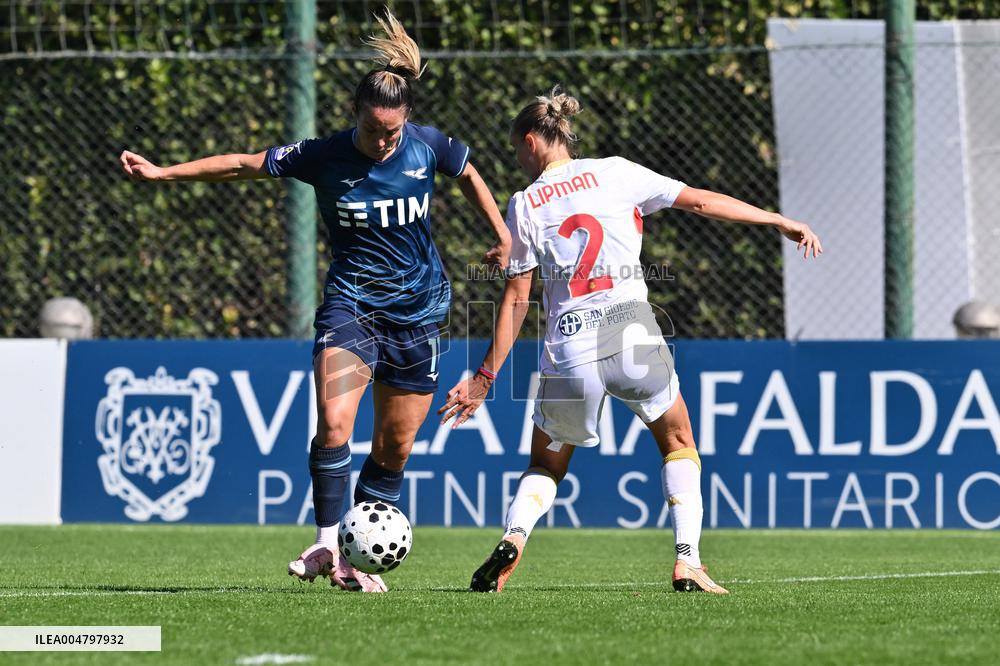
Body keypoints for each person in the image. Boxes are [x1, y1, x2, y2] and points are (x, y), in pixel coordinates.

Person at [120, 11, 511, 593]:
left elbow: (470, 173)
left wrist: (501, 235)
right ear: (355, 114)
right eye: (374, 130)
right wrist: (164, 173)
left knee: (395, 446)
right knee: (333, 424)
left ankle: (356, 561)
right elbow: (245, 164)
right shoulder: (324, 155)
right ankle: (330, 543)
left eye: (393, 132)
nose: (384, 141)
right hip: (351, 307)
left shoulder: (427, 146)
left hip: (419, 313)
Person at [439, 88, 822, 594]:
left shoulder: (525, 202)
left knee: (547, 463)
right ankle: (688, 561)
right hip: (632, 332)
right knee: (679, 442)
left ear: (531, 142)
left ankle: (515, 536)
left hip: (570, 345)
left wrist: (485, 378)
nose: (518, 159)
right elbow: (703, 201)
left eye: (516, 150)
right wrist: (777, 219)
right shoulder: (617, 171)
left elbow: (516, 299)